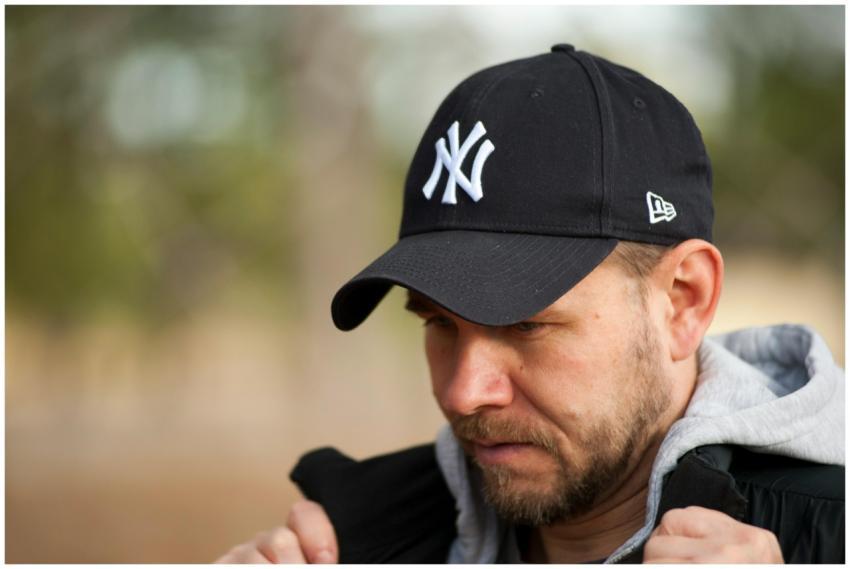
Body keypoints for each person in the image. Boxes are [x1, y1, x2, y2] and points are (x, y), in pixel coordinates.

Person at [215, 44, 844, 564]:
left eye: (525, 324)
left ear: (683, 301)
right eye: (438, 322)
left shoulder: (824, 536)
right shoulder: (354, 541)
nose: (464, 394)